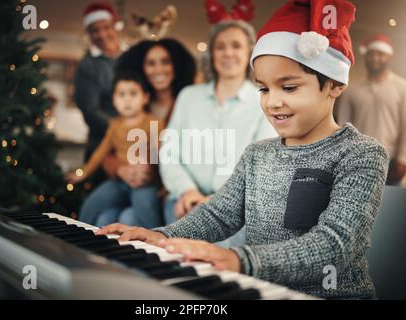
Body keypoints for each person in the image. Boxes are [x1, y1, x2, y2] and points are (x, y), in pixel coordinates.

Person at [96, 0, 390, 300]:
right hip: (262, 291)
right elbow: (219, 215)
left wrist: (241, 260)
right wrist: (163, 235)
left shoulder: (361, 154)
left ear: (334, 85)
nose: (272, 102)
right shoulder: (257, 154)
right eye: (263, 89)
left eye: (288, 88)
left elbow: (334, 245)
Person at [159, 20, 276, 247]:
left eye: (236, 46)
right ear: (212, 54)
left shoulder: (264, 101)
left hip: (234, 207)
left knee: (213, 257)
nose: (228, 53)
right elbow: (168, 153)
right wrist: (188, 191)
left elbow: (260, 166)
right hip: (184, 200)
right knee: (177, 253)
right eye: (220, 47)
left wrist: (216, 201)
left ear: (250, 53)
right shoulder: (188, 96)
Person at [94, 39, 197, 225]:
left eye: (165, 61)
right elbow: (107, 152)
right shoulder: (131, 100)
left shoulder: (189, 102)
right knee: (105, 218)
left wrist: (166, 179)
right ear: (142, 67)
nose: (158, 69)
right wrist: (121, 169)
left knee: (128, 218)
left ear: (176, 65)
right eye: (151, 63)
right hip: (132, 187)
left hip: (172, 190)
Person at [66, 70, 164, 228]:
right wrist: (84, 172)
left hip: (144, 182)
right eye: (121, 94)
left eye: (133, 94)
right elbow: (101, 152)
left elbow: (159, 151)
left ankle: (157, 243)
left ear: (145, 98)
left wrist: (147, 167)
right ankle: (80, 240)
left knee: (147, 215)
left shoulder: (154, 122)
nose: (127, 100)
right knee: (90, 206)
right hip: (119, 181)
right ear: (114, 99)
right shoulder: (114, 125)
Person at [336, 34, 406, 185]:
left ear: (389, 56)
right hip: (357, 159)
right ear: (365, 57)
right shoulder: (351, 90)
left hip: (391, 161)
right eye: (371, 54)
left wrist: (403, 158)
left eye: (380, 54)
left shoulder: (402, 88)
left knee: (389, 206)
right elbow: (343, 126)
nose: (375, 58)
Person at [73, 1, 123, 161]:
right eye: (94, 30)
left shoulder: (132, 56)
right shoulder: (87, 66)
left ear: (115, 26)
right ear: (88, 34)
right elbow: (90, 111)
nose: (102, 35)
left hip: (138, 146)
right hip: (103, 148)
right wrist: (125, 130)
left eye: (106, 27)